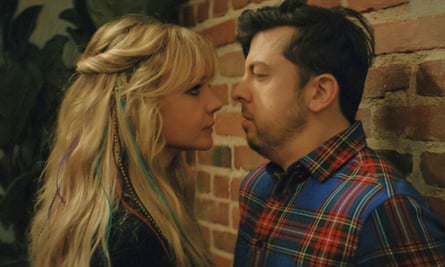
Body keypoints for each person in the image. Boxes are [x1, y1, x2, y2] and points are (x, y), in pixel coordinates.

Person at [231, 0, 445, 266]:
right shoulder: (256, 187)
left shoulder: (382, 208)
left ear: (320, 92)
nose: (237, 92)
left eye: (260, 75)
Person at [29, 14, 223, 267]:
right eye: (194, 89)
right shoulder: (129, 238)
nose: (216, 103)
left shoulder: (133, 208)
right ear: (139, 104)